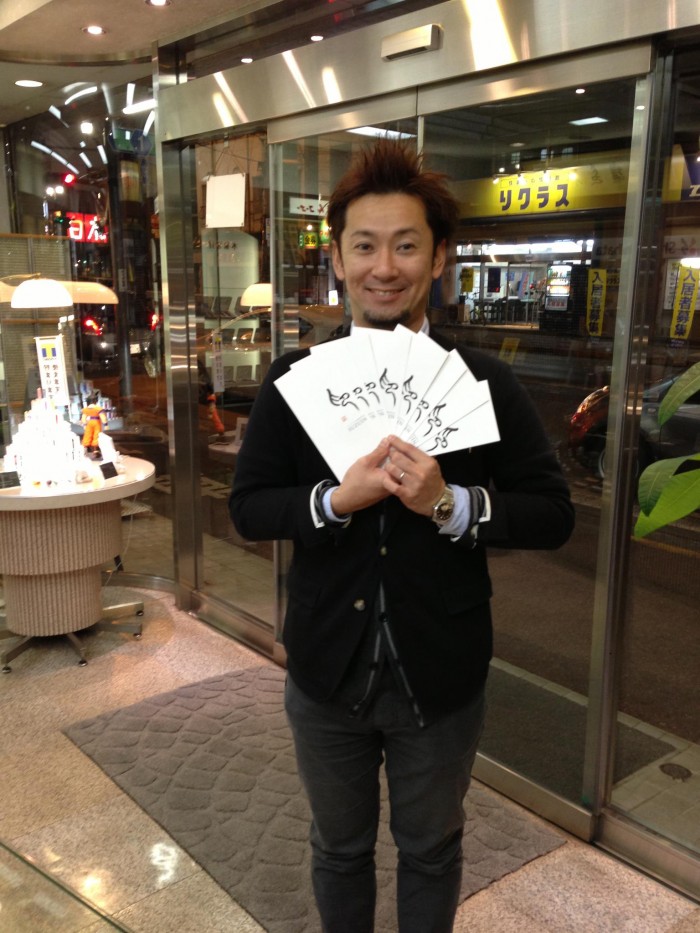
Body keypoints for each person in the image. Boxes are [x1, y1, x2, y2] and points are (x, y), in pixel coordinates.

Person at [229, 139, 575, 933]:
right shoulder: (295, 380)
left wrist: (451, 503)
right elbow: (249, 507)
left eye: (407, 245)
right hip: (326, 669)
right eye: (365, 246)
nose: (385, 267)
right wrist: (332, 499)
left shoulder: (484, 382)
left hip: (441, 674)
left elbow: (552, 513)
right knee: (339, 847)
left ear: (440, 257)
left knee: (431, 848)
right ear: (338, 260)